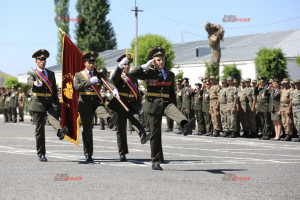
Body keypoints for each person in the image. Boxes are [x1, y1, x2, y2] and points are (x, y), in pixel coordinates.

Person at [129, 46, 194, 170]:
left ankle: (185, 125)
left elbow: (172, 93)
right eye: (158, 60)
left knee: (174, 110)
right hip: (152, 104)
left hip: (166, 102)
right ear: (153, 62)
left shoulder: (170, 74)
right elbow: (132, 73)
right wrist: (144, 66)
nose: (161, 62)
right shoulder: (148, 72)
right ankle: (156, 161)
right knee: (155, 134)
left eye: (162, 59)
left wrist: (175, 105)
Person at [73, 51, 117, 163]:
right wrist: (89, 82)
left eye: (93, 62)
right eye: (89, 62)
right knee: (87, 130)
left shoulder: (98, 74)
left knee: (102, 110)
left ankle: (109, 120)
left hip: (96, 101)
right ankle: (88, 154)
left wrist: (113, 89)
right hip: (85, 102)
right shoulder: (78, 75)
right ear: (85, 63)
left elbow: (106, 82)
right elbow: (76, 87)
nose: (91, 64)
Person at [27, 49, 68, 162]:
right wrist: (35, 83)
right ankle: (41, 154)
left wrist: (56, 102)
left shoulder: (50, 74)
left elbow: (54, 90)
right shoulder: (33, 73)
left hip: (49, 102)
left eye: (44, 59)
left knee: (54, 118)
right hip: (37, 103)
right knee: (40, 130)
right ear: (36, 61)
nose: (43, 61)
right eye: (40, 59)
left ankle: (60, 132)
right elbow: (29, 82)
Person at [109, 53, 150, 161]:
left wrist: (139, 105)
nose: (127, 66)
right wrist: (119, 68)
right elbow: (113, 81)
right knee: (121, 129)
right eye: (125, 64)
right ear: (121, 65)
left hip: (132, 104)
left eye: (128, 64)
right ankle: (122, 153)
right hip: (121, 105)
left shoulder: (132, 77)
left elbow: (136, 92)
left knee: (136, 119)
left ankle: (143, 135)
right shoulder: (118, 75)